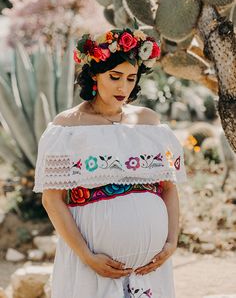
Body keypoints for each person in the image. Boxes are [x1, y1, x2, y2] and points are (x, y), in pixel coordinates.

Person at [33, 28, 187, 298]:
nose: (123, 87)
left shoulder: (150, 124)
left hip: (150, 271)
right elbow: (52, 199)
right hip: (91, 266)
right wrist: (87, 256)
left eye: (130, 78)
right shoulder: (66, 129)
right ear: (94, 75)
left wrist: (172, 242)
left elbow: (169, 188)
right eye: (114, 77)